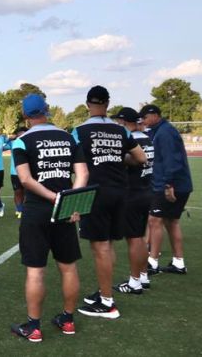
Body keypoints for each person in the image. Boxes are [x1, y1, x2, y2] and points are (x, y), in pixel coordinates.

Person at [10, 94, 88, 343]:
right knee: (68, 267)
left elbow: (25, 180)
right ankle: (67, 320)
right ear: (47, 111)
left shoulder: (22, 142)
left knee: (36, 271)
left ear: (25, 115)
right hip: (65, 209)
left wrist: (52, 198)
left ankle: (34, 327)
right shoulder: (68, 137)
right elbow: (83, 173)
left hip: (37, 211)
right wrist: (70, 201)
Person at [73, 86, 146, 319]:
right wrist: (117, 159)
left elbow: (72, 162)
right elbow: (141, 157)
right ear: (107, 103)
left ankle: (107, 303)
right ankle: (104, 291)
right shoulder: (121, 130)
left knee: (100, 246)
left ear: (88, 104)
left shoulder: (79, 131)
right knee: (109, 245)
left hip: (95, 193)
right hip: (121, 192)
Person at [140, 104, 193, 275]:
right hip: (177, 184)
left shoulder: (165, 133)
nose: (144, 121)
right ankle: (178, 262)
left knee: (155, 221)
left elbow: (171, 160)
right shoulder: (161, 131)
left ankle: (152, 263)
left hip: (168, 185)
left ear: (154, 115)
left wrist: (169, 185)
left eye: (146, 117)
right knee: (171, 222)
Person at [110, 108, 154, 293]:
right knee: (141, 238)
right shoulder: (147, 138)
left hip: (133, 193)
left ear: (124, 121)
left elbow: (131, 160)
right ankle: (142, 276)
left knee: (134, 239)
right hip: (146, 190)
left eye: (118, 121)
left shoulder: (131, 140)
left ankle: (134, 282)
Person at [10, 127, 29, 219]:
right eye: (20, 133)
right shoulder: (13, 143)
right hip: (15, 172)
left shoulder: (29, 143)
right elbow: (2, 145)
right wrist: (9, 138)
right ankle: (19, 209)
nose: (22, 135)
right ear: (17, 134)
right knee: (17, 191)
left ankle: (24, 210)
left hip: (27, 172)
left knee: (26, 192)